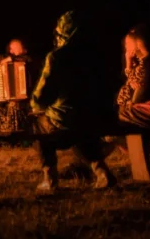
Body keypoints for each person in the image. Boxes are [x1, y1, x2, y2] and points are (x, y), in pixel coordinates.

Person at [29, 11, 116, 193]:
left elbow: (42, 98)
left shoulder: (56, 57)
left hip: (64, 121)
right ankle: (102, 171)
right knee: (81, 128)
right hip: (94, 119)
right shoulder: (97, 55)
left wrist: (34, 104)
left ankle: (50, 178)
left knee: (38, 125)